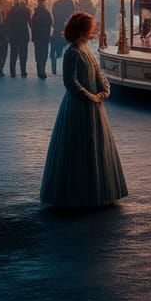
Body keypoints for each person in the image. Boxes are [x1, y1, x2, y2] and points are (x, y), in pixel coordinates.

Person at [39, 12, 128, 209]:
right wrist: (92, 96)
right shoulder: (72, 52)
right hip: (78, 106)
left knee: (91, 146)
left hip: (91, 103)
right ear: (82, 30)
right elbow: (70, 82)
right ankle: (85, 193)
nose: (93, 32)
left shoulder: (85, 49)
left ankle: (92, 193)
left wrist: (104, 90)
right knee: (82, 147)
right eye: (91, 28)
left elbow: (98, 73)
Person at [6, 0, 32, 77]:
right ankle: (23, 71)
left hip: (13, 35)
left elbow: (8, 23)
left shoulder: (11, 10)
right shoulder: (26, 10)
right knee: (23, 55)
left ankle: (12, 72)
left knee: (13, 54)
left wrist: (8, 34)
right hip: (23, 35)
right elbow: (30, 23)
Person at [51, 0, 75, 74]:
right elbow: (72, 14)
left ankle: (57, 54)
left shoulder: (56, 3)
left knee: (57, 43)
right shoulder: (71, 3)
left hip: (58, 26)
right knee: (67, 44)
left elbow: (53, 13)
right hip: (67, 26)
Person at [32, 0, 53, 80]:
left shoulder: (35, 13)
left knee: (38, 53)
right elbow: (51, 22)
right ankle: (42, 70)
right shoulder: (46, 13)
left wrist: (33, 37)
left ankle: (39, 70)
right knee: (44, 53)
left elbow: (33, 25)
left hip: (37, 37)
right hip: (44, 37)